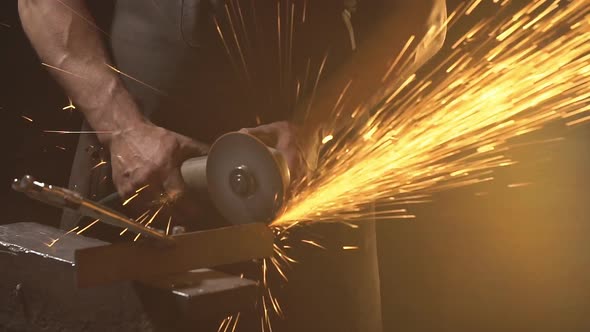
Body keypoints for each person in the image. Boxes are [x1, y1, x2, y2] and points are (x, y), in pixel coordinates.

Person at [19, 0, 446, 331]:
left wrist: (317, 125)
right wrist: (122, 129)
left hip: (308, 180)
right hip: (134, 175)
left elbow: (423, 17)